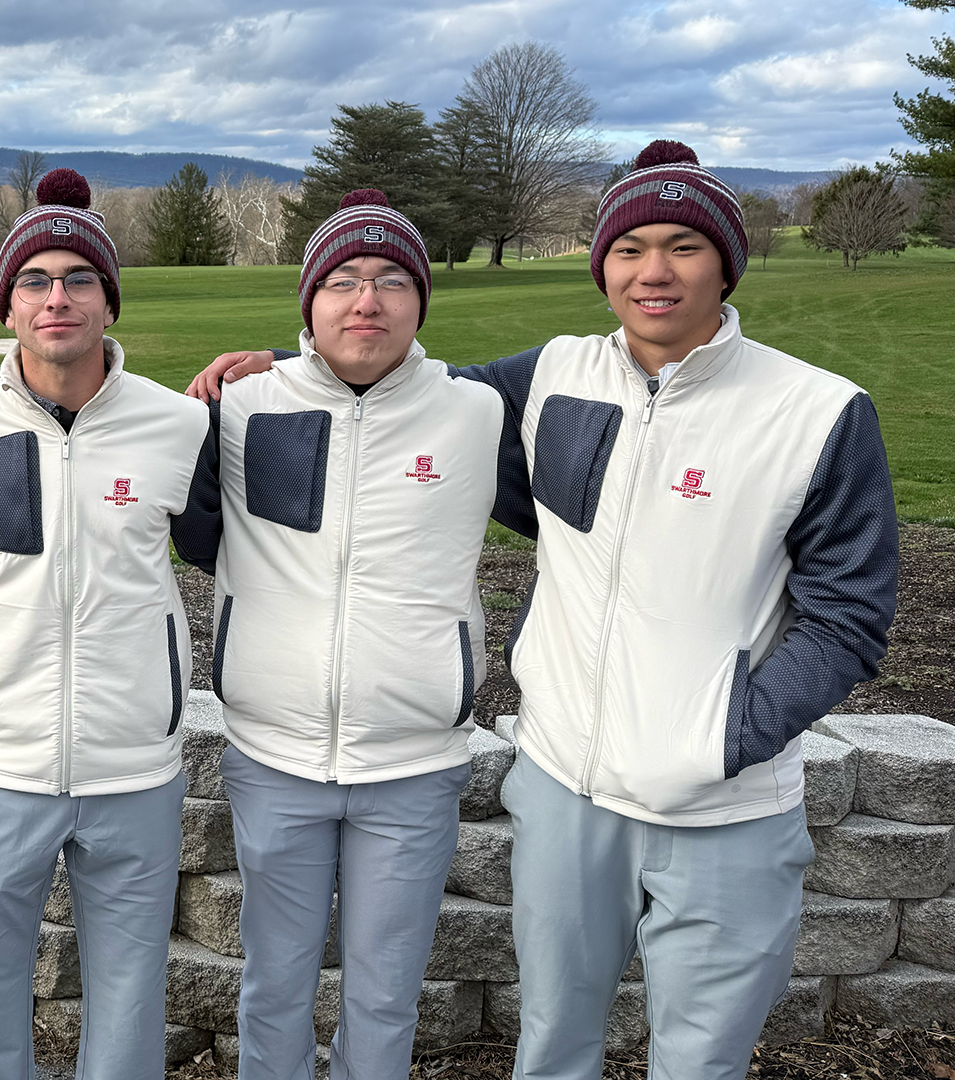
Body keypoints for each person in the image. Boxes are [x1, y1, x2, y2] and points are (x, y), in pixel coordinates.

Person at [187, 140, 898, 1080]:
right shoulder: (559, 373)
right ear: (602, 263)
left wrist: (731, 735)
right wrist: (281, 364)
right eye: (631, 246)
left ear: (727, 261)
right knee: (553, 1047)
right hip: (566, 786)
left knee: (701, 1060)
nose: (654, 271)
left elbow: (849, 613)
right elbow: (383, 384)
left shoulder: (815, 410)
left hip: (722, 800)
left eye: (684, 246)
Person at [174, 189, 501, 1080]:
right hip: (274, 756)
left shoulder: (479, 411)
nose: (368, 300)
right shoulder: (238, 409)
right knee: (273, 985)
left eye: (393, 280)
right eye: (344, 280)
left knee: (386, 992)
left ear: (421, 302)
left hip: (413, 764)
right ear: (310, 302)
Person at [0, 169, 215, 1080]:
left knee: (128, 1002)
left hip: (133, 762)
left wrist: (268, 367)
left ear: (108, 301)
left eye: (79, 279)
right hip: (3, 760)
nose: (58, 298)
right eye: (36, 281)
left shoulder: (179, 424)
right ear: (9, 307)